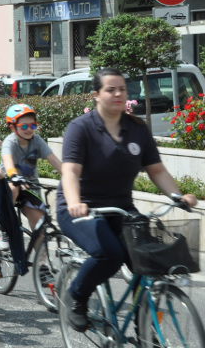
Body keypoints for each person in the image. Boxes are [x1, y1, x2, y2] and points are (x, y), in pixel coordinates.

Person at [58, 68, 196, 332]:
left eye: (122, 88)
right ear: (96, 95)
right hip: (80, 209)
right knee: (110, 254)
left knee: (151, 262)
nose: (118, 94)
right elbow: (71, 171)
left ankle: (146, 331)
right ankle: (77, 296)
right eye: (110, 89)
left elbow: (156, 169)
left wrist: (177, 196)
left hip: (121, 209)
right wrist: (75, 202)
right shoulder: (81, 128)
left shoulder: (137, 129)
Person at [1, 103, 63, 231]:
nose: (29, 129)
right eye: (24, 126)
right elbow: (7, 161)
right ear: (13, 127)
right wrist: (13, 175)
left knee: (40, 228)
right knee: (13, 188)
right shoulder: (10, 142)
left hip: (30, 186)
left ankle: (41, 250)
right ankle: (4, 229)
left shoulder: (37, 140)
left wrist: (71, 177)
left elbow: (55, 161)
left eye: (33, 125)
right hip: (12, 181)